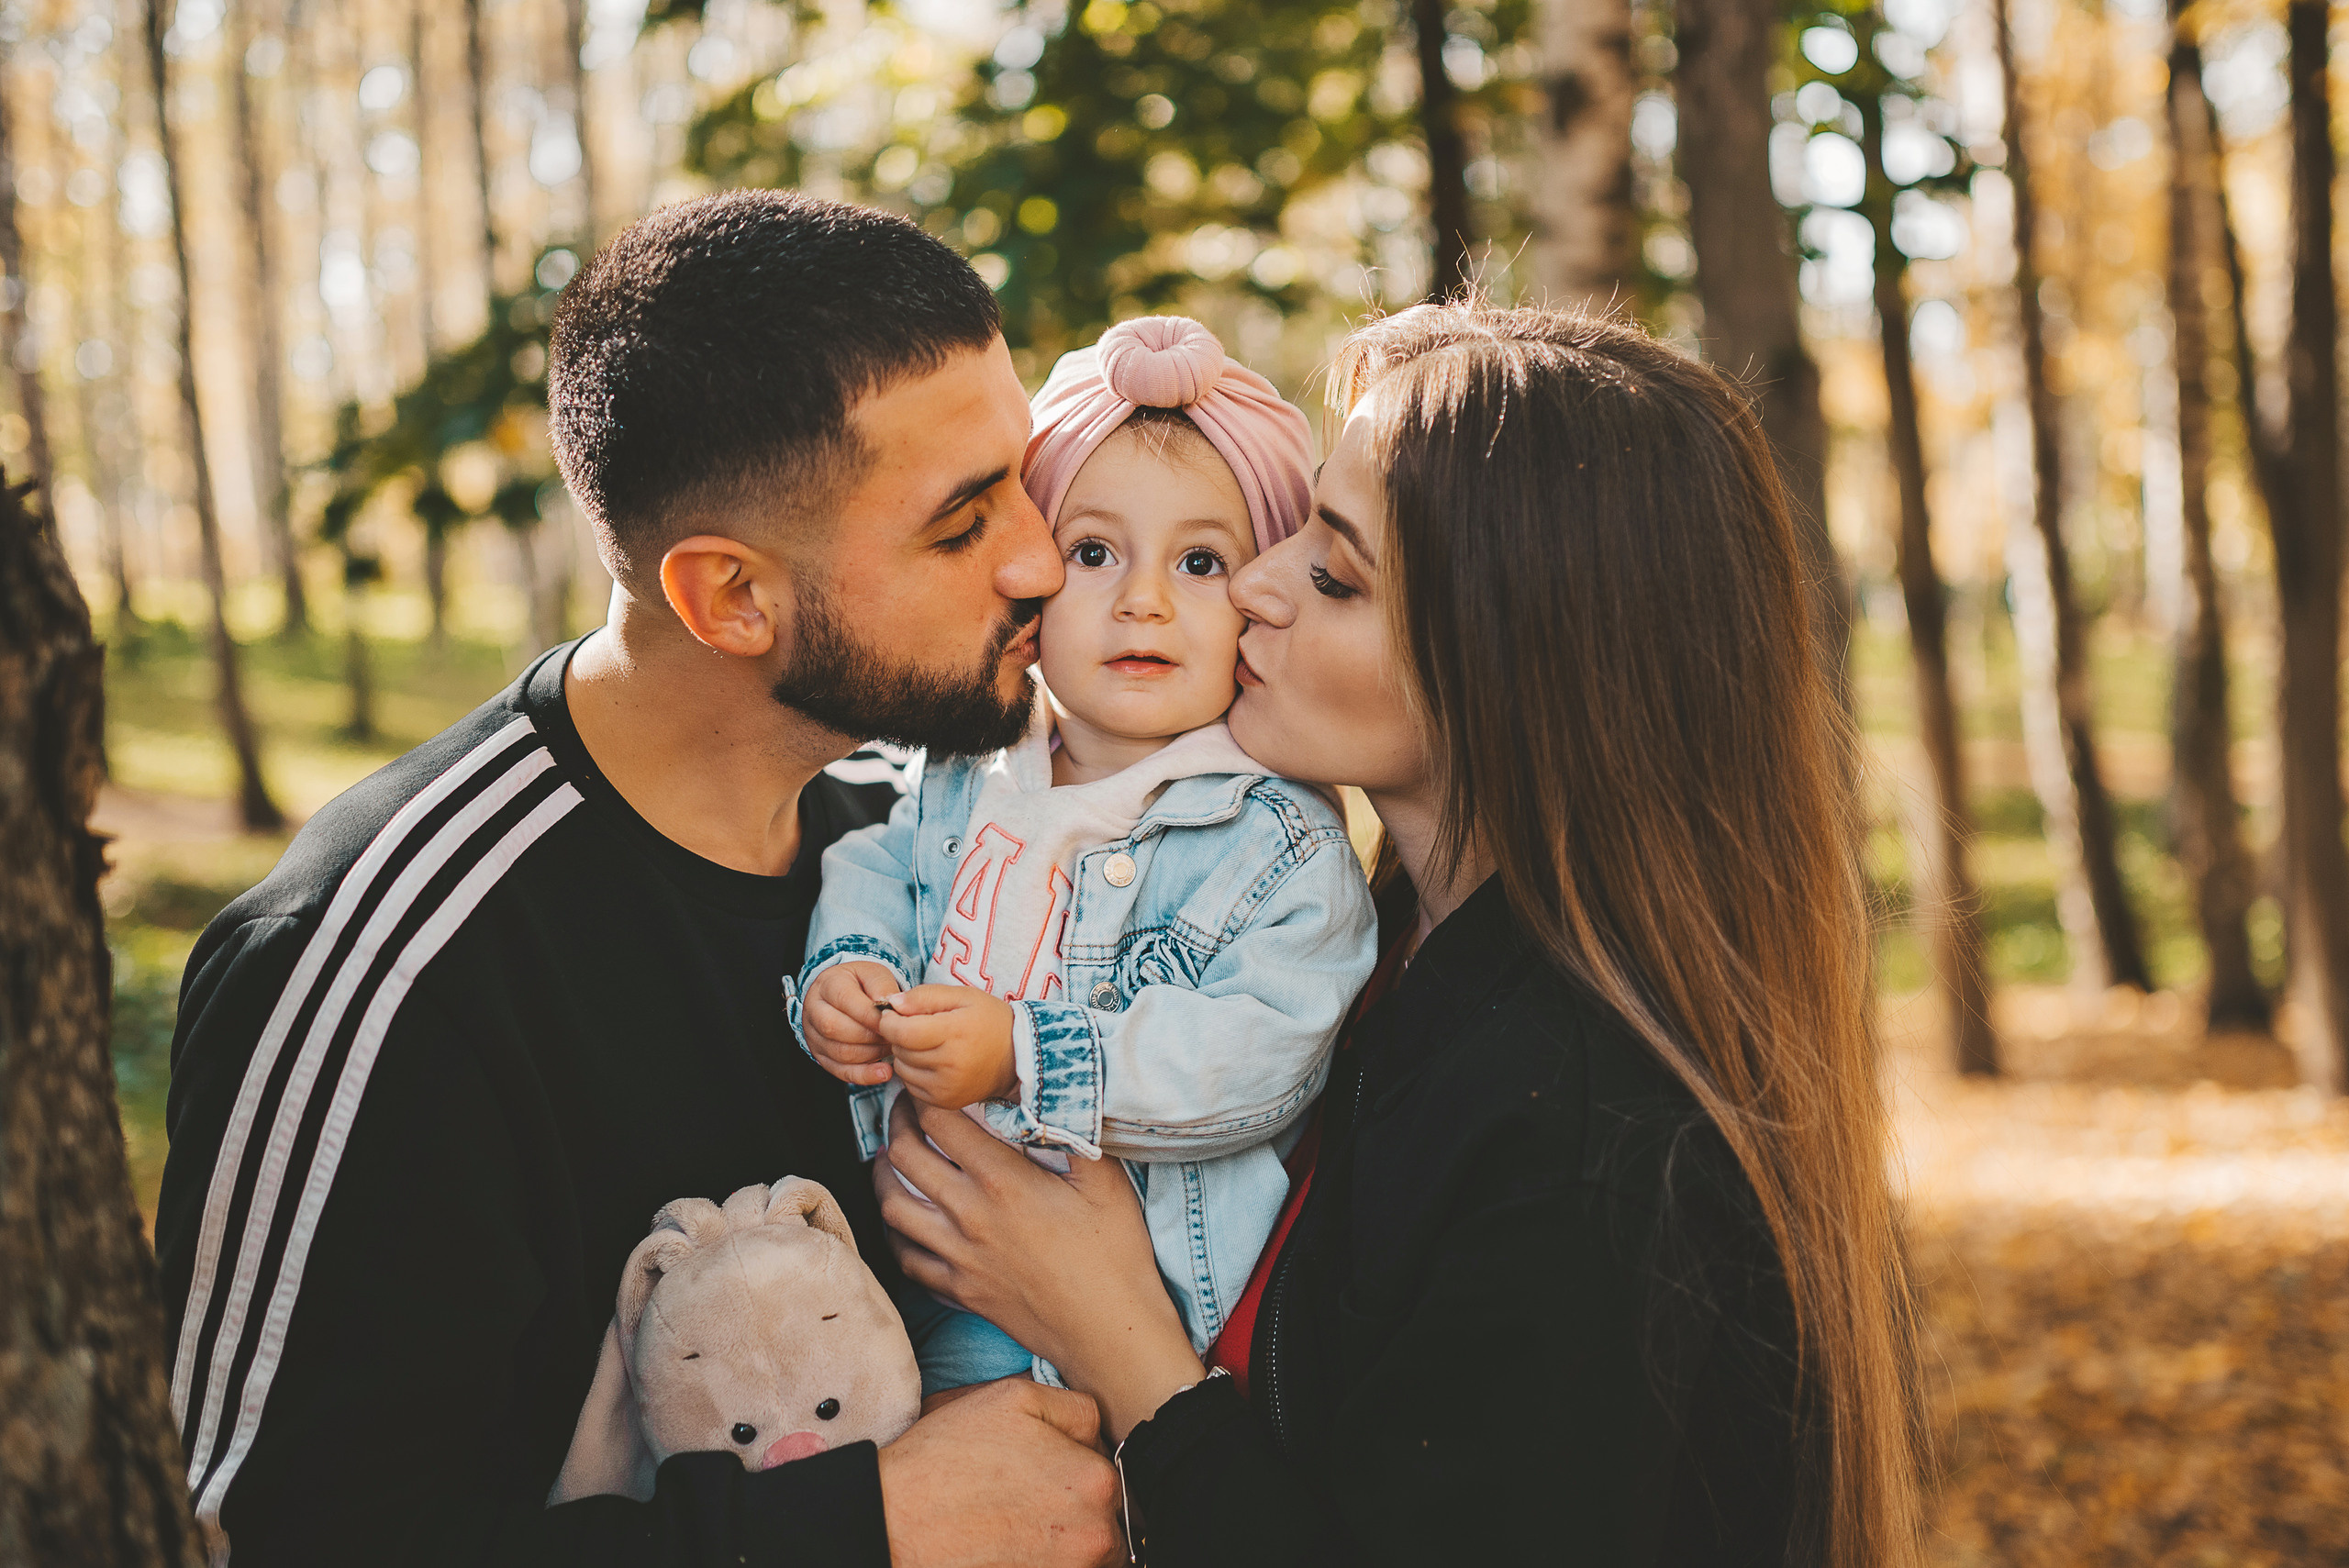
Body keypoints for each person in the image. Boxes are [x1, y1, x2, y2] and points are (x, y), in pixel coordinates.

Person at [153, 191, 1120, 1568]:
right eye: (961, 526)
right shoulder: (385, 962)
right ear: (729, 597)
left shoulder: (926, 854)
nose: (1039, 557)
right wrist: (864, 1528)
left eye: (1022, 482)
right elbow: (263, 1542)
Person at [873, 304, 1928, 1566]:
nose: (1255, 584)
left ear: (1518, 663)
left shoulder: (1586, 1141)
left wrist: (1120, 1341)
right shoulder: (1365, 958)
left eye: (1333, 573)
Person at [796, 316, 1377, 1396]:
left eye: (1200, 561)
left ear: (1258, 597)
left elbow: (1258, 1053)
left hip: (1108, 1325)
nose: (1141, 599)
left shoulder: (1274, 841)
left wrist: (1027, 1052)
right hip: (911, 1269)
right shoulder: (973, 762)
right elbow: (883, 863)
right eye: (1094, 552)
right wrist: (850, 965)